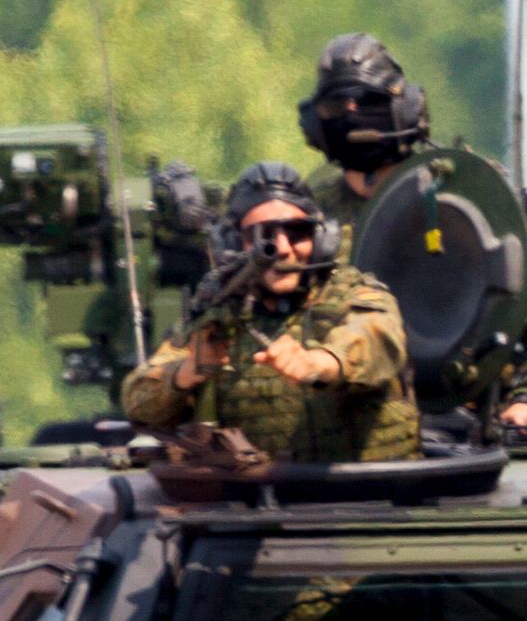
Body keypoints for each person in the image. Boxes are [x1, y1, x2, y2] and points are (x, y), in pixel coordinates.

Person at [299, 32, 527, 436]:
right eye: (336, 104)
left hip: (462, 429)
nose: (352, 114)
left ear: (405, 107)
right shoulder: (306, 217)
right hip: (347, 433)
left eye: (367, 101)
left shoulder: (460, 198)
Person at [120, 164, 420, 464]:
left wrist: (320, 363)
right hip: (262, 490)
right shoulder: (218, 314)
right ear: (232, 244)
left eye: (297, 232)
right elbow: (138, 400)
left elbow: (377, 337)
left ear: (320, 239)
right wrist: (186, 373)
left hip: (374, 487)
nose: (283, 249)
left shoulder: (353, 292)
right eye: (263, 235)